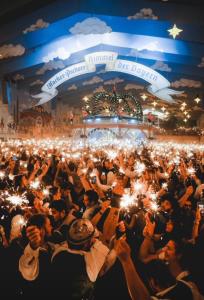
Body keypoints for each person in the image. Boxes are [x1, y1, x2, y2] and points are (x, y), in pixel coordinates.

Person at [50, 218, 117, 299]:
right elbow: (108, 255)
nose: (95, 240)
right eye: (92, 238)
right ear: (86, 244)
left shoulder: (57, 253)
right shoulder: (91, 261)